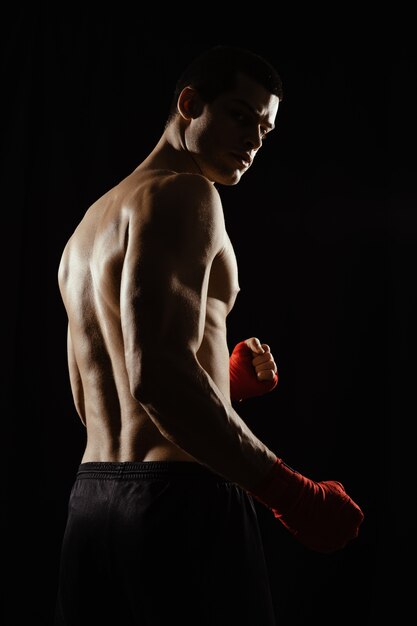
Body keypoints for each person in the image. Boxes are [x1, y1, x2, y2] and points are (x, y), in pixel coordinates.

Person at [54, 45, 364, 626]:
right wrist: (293, 496)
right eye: (240, 116)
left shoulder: (85, 231)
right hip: (177, 507)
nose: (252, 141)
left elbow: (104, 391)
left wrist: (222, 383)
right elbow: (157, 377)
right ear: (190, 104)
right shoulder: (186, 193)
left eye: (265, 130)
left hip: (92, 506)